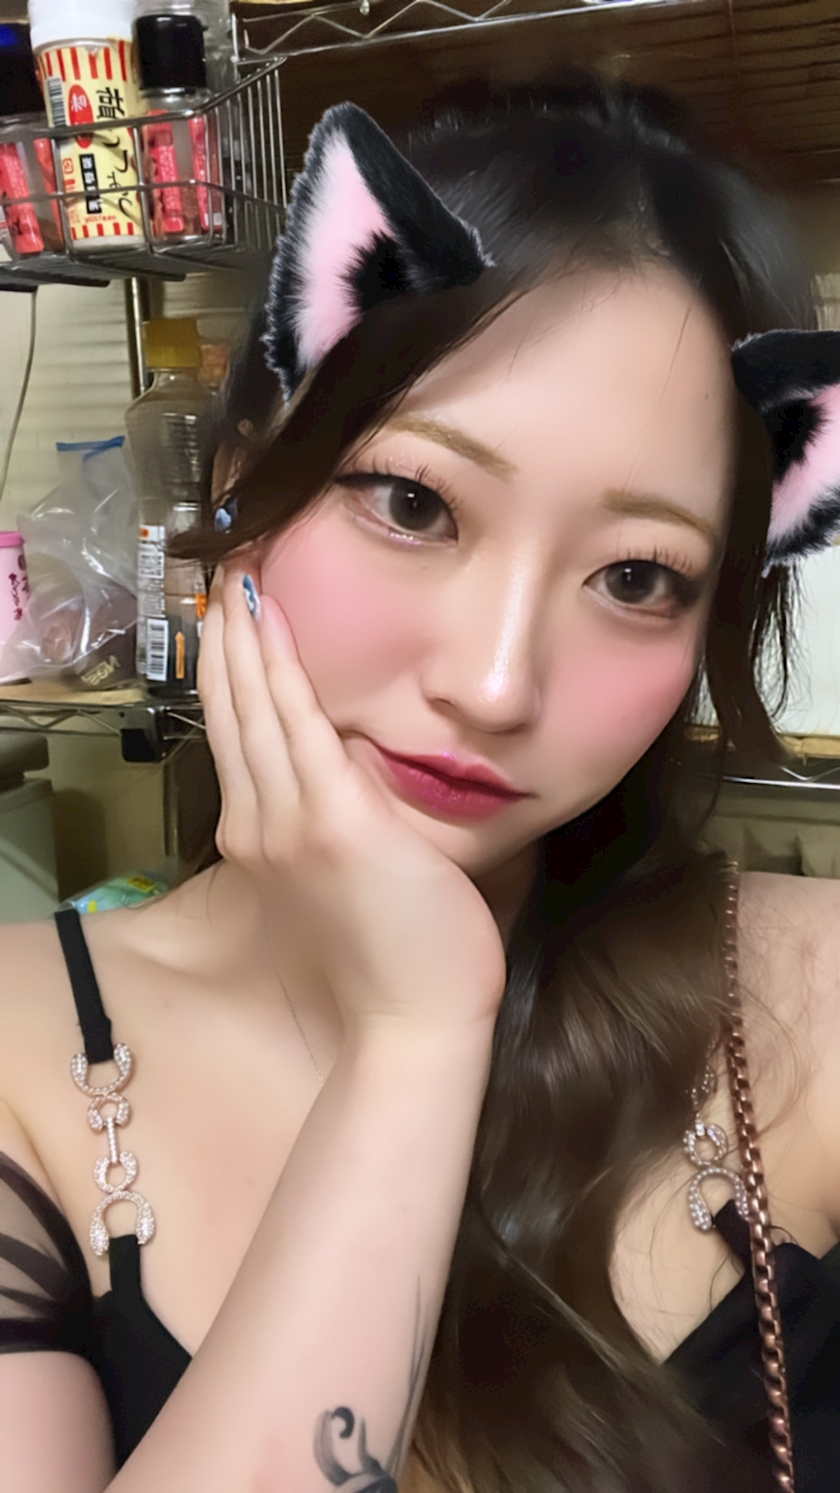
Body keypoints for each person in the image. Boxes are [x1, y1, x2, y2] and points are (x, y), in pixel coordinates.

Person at [1, 74, 840, 1493]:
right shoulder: (21, 1053)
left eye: (638, 577)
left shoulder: (813, 999)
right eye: (413, 502)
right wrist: (413, 1038)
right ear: (242, 485)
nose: (496, 684)